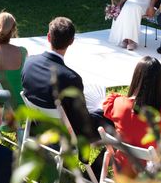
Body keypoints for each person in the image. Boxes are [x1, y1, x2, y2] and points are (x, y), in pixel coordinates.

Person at [22, 17, 112, 145]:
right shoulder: (71, 78)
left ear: (48, 37)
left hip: (38, 125)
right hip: (66, 133)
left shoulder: (29, 63)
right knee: (110, 119)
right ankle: (98, 165)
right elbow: (82, 121)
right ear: (72, 41)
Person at [102, 56, 161, 177]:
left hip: (123, 172)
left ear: (136, 77)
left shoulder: (118, 104)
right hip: (153, 176)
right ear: (159, 82)